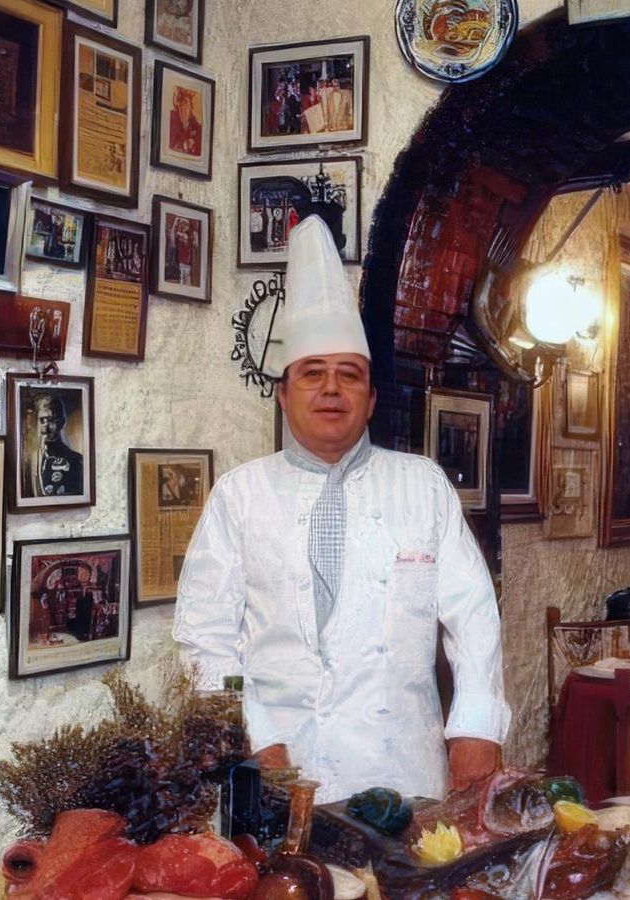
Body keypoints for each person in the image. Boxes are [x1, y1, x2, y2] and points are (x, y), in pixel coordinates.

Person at [173, 216, 509, 804]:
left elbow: (474, 617)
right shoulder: (238, 495)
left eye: (349, 375)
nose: (331, 389)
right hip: (274, 771)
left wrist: (477, 726)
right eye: (312, 374)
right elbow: (206, 639)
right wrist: (252, 736)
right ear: (283, 393)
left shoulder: (422, 487)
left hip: (404, 775)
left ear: (371, 397)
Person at [28, 392, 84, 497]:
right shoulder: (29, 462)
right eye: (42, 420)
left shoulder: (75, 461)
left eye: (52, 420)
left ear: (62, 422)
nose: (46, 427)